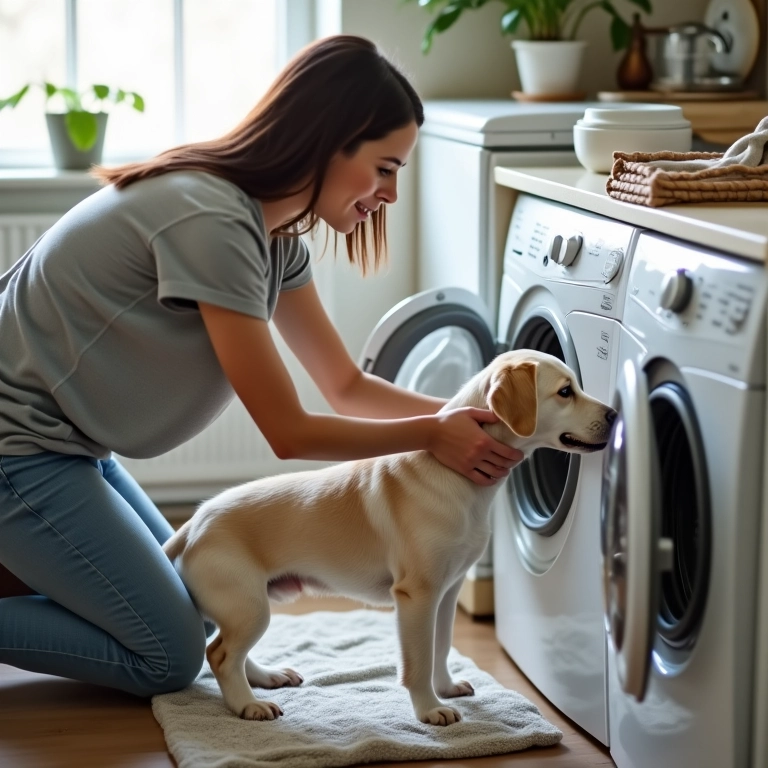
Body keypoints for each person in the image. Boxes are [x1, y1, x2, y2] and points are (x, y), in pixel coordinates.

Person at [0, 35, 524, 698]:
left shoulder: (274, 240)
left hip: (72, 450)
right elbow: (290, 432)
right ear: (332, 140)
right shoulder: (211, 220)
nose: (390, 194)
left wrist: (467, 418)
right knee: (167, 652)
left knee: (199, 596)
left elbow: (345, 386)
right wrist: (434, 433)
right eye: (386, 167)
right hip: (16, 452)